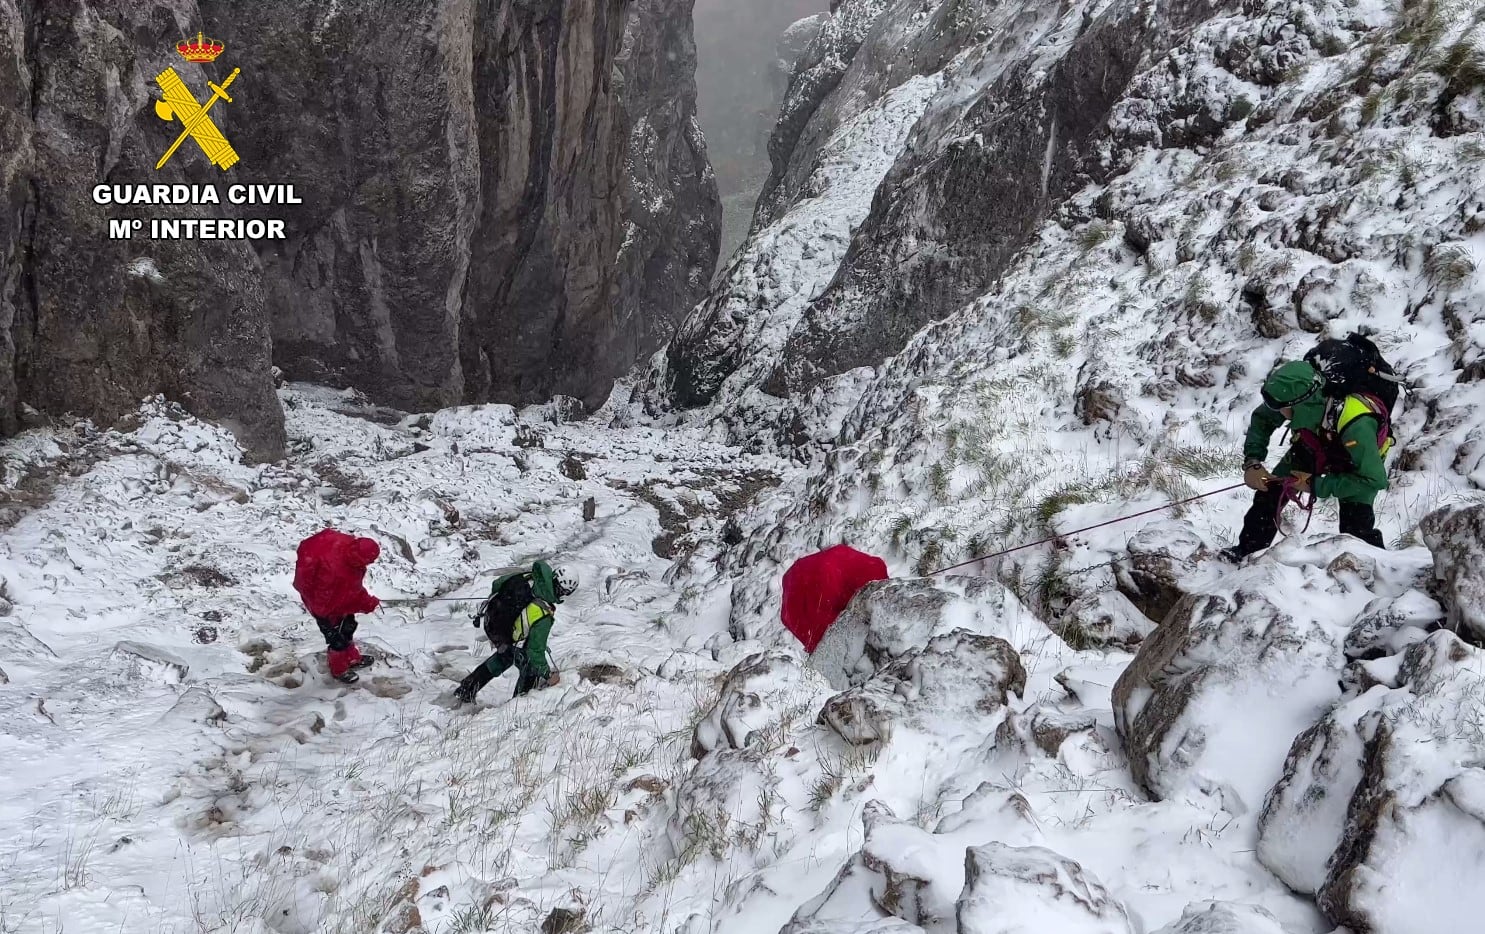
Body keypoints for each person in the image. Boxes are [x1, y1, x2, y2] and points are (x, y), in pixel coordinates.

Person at [1222, 345, 1395, 561]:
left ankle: (1379, 568)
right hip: (1311, 443)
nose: (1278, 413)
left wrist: (1315, 485)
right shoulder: (1296, 399)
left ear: (1302, 405)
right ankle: (1246, 552)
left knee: (1356, 526)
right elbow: (1263, 418)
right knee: (1270, 493)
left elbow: (1374, 480)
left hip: (1356, 463)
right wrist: (1252, 462)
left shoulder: (1357, 425)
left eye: (1283, 409)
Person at [453, 561, 577, 704]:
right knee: (529, 668)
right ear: (566, 592)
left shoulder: (531, 576)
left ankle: (465, 690)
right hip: (509, 636)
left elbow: (498, 583)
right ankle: (518, 707)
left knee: (503, 657)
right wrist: (547, 674)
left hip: (494, 623)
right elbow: (534, 651)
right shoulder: (544, 612)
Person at [293, 529, 382, 683]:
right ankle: (339, 669)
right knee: (337, 639)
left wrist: (365, 603)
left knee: (347, 628)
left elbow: (350, 592)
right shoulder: (338, 573)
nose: (370, 563)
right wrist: (367, 603)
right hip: (324, 608)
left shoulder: (346, 548)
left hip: (331, 602)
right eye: (369, 560)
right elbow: (349, 593)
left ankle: (352, 658)